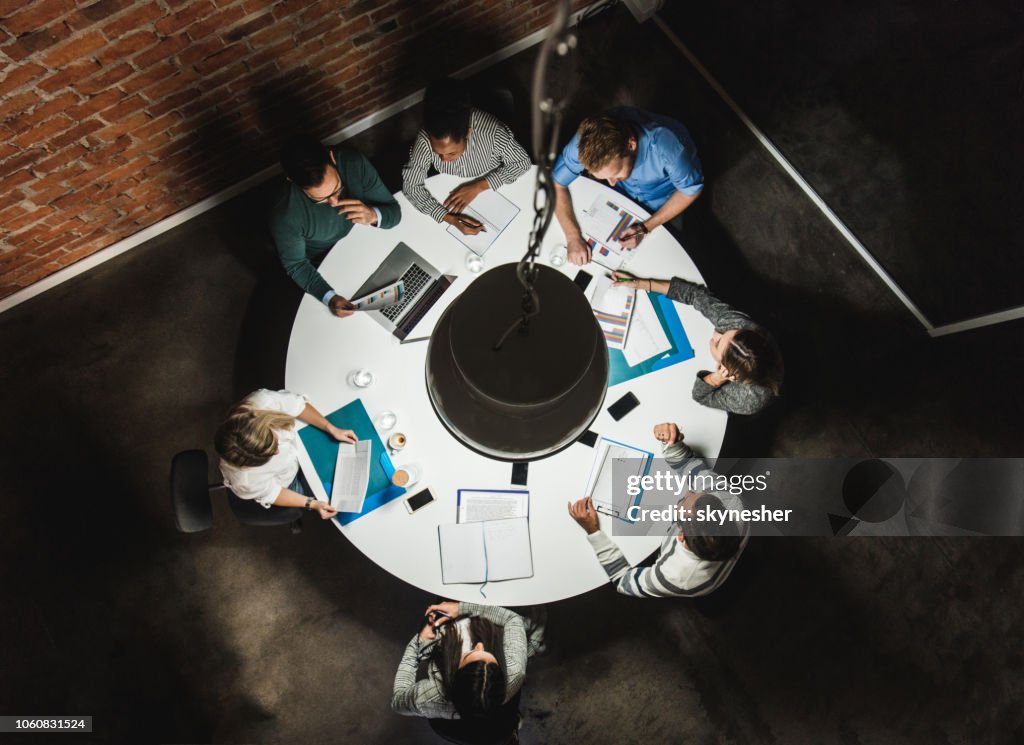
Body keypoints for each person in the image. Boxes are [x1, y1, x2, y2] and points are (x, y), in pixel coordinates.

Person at [568, 423, 748, 598]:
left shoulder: (674, 577)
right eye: (698, 493)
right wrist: (672, 443)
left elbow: (623, 581)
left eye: (683, 501)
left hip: (707, 586)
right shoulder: (728, 500)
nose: (689, 491)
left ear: (681, 536)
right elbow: (689, 466)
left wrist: (593, 531)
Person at [613, 272, 782, 415]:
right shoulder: (740, 327)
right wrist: (641, 283)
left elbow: (701, 396)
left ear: (729, 374)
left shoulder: (750, 400)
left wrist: (717, 378)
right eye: (726, 334)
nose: (717, 333)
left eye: (718, 343)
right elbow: (696, 295)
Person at [269, 135, 401, 317]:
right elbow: (296, 265)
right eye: (320, 199)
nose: (334, 202)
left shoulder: (352, 162)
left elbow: (394, 213)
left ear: (331, 158)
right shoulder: (285, 214)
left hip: (363, 238)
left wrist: (373, 214)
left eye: (337, 188)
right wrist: (329, 297)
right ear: (292, 181)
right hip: (324, 259)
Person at [552, 107, 704, 265]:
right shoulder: (585, 140)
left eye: (616, 173)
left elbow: (690, 190)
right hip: (623, 197)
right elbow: (556, 184)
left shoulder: (667, 147)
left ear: (631, 144)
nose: (611, 183)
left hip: (665, 200)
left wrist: (645, 228)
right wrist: (572, 236)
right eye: (604, 178)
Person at [392, 600, 543, 741]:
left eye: (469, 655)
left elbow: (398, 700)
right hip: (500, 728)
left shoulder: (428, 698)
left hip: (451, 728)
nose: (479, 645)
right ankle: (512, 728)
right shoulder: (515, 672)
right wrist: (461, 608)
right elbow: (513, 620)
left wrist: (421, 641)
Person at [402, 78, 531, 235]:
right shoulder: (424, 139)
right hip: (446, 182)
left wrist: (478, 186)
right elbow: (410, 186)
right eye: (438, 153)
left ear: (468, 133)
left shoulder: (492, 132)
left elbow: (522, 162)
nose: (444, 160)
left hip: (494, 176)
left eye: (452, 153)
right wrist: (451, 219)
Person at [215, 388, 356, 519]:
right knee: (335, 495)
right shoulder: (245, 480)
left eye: (273, 442)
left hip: (301, 443)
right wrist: (312, 504)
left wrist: (330, 428)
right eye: (268, 456)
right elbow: (273, 493)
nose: (277, 451)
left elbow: (297, 406)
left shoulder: (262, 402)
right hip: (290, 480)